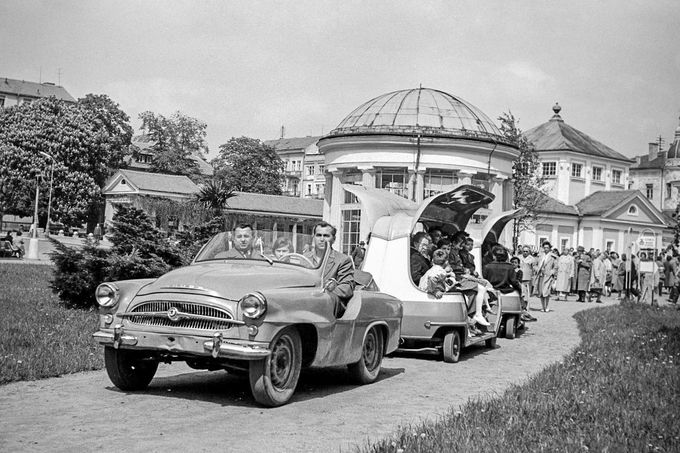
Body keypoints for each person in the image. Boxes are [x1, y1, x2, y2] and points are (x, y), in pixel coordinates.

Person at [304, 221, 355, 317]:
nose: (322, 239)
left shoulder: (342, 260)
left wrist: (329, 289)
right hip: (304, 301)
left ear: (334, 239)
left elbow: (347, 288)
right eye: (318, 235)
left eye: (326, 236)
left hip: (328, 306)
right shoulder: (304, 258)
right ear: (313, 237)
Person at [535, 241, 558, 312]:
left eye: (547, 247)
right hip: (541, 276)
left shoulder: (553, 256)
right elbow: (535, 264)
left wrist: (552, 272)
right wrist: (537, 269)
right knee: (541, 292)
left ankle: (547, 306)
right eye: (544, 247)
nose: (546, 249)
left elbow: (556, 266)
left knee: (547, 292)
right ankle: (543, 306)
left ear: (550, 248)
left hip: (548, 276)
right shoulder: (540, 256)